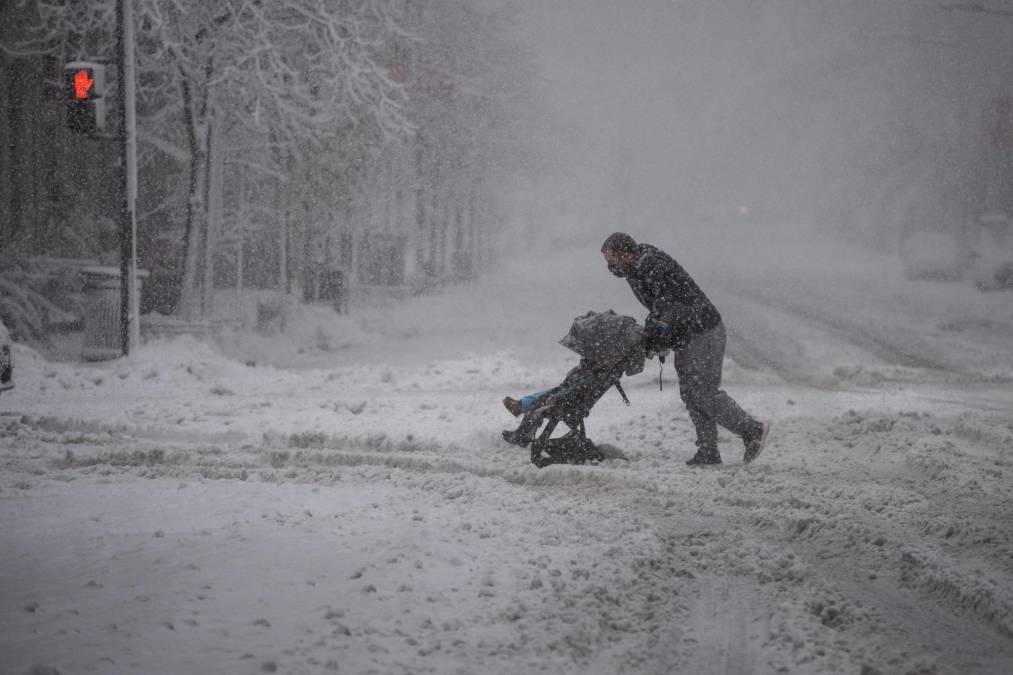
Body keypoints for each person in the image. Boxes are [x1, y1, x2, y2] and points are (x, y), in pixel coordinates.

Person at [601, 232, 770, 465]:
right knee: (691, 393)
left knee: (704, 392)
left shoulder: (650, 264)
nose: (610, 266)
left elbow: (669, 303)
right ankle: (708, 451)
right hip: (687, 335)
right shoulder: (635, 269)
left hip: (703, 331)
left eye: (611, 260)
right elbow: (661, 308)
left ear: (625, 253)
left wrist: (655, 334)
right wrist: (658, 336)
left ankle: (753, 430)